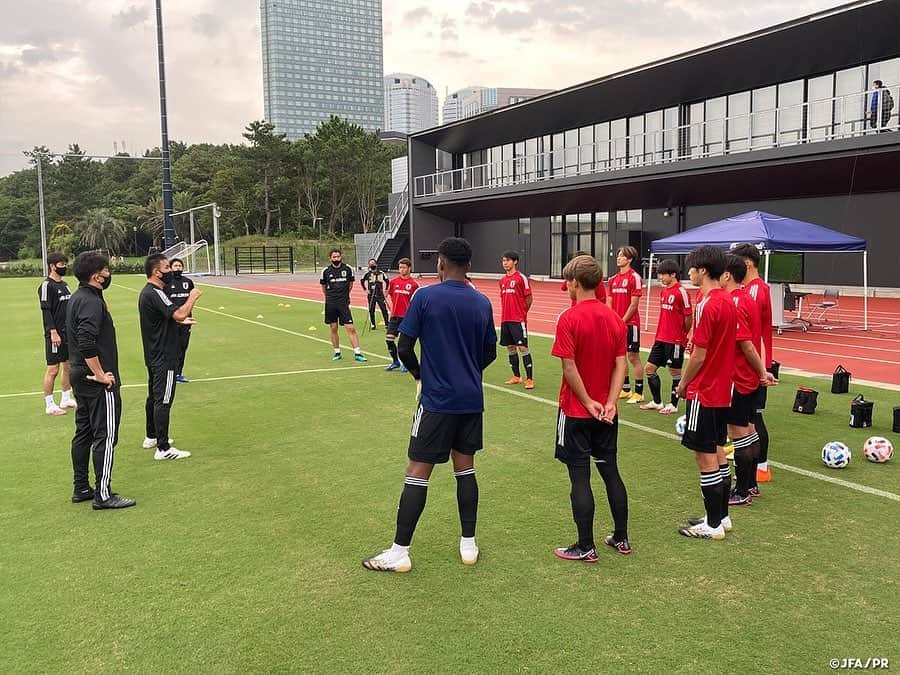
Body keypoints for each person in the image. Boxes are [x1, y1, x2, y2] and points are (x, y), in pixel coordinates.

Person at [362, 237, 497, 573]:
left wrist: (422, 376)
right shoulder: (482, 302)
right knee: (465, 468)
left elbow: (404, 347)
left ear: (440, 263)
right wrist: (466, 371)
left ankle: (399, 551)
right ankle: (468, 545)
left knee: (417, 471)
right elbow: (490, 352)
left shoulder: (425, 296)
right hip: (470, 399)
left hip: (436, 400)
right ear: (468, 265)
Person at [552, 255, 630, 563]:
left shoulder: (569, 318)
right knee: (610, 472)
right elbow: (620, 364)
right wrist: (610, 402)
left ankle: (586, 545)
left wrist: (587, 402)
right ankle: (621, 537)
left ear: (573, 283)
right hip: (607, 414)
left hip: (576, 411)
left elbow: (569, 367)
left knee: (580, 478)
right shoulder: (614, 318)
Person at [675, 245, 735, 540]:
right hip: (723, 388)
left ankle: (711, 526)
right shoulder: (727, 300)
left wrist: (684, 384)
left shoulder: (707, 304)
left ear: (702, 270)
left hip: (706, 389)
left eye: (691, 268)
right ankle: (721, 517)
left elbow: (698, 355)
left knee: (705, 455)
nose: (689, 273)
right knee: (719, 450)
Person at [67, 251, 135, 509]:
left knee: (83, 432)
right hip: (95, 379)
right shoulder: (91, 302)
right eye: (106, 270)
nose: (109, 274)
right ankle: (103, 494)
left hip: (78, 374)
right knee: (105, 436)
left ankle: (81, 487)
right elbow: (85, 340)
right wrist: (99, 373)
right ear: (97, 276)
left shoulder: (78, 298)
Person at [721, 255, 776, 507]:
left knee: (739, 433)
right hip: (749, 374)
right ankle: (751, 484)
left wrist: (761, 371)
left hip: (738, 375)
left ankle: (741, 490)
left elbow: (745, 344)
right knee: (750, 429)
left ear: (727, 275)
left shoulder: (734, 302)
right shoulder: (747, 298)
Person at [139, 254, 202, 460]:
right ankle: (163, 449)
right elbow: (178, 314)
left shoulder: (154, 292)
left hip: (155, 352)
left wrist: (179, 322)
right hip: (164, 355)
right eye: (167, 267)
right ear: (157, 272)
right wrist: (192, 296)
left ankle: (152, 436)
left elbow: (165, 319)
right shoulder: (154, 292)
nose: (171, 271)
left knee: (154, 396)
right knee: (163, 400)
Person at [640, 259, 692, 414]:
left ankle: (673, 405)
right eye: (659, 274)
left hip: (675, 340)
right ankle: (657, 402)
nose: (661, 277)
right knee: (649, 368)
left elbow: (688, 317)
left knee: (675, 371)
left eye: (663, 274)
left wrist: (682, 334)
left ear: (673, 274)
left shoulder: (681, 292)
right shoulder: (664, 291)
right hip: (661, 338)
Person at [39, 252, 76, 416]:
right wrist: (53, 332)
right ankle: (49, 404)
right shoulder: (47, 286)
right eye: (61, 264)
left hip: (68, 333)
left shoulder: (65, 284)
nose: (64, 267)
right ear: (52, 266)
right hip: (55, 334)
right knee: (53, 369)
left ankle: (66, 398)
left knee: (67, 366)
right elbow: (46, 311)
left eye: (65, 264)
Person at [607, 246, 644, 403]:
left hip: (630, 324)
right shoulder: (613, 279)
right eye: (618, 255)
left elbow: (634, 304)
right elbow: (609, 300)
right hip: (617, 324)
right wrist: (611, 319)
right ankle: (626, 389)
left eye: (622, 256)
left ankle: (639, 391)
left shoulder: (634, 277)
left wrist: (622, 321)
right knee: (620, 356)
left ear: (629, 259)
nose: (618, 258)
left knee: (633, 356)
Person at [320, 248, 367, 362]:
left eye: (338, 256)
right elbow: (324, 288)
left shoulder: (348, 269)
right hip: (331, 303)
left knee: (350, 328)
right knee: (334, 328)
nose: (336, 259)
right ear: (330, 258)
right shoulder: (325, 271)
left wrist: (343, 297)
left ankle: (357, 353)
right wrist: (331, 298)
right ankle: (337, 352)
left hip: (343, 303)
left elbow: (350, 285)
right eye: (334, 257)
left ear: (341, 257)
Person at [499, 250, 534, 389]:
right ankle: (516, 376)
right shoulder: (502, 280)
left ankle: (530, 379)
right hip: (505, 319)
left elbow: (529, 297)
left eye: (507, 260)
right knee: (510, 347)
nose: (505, 263)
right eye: (503, 260)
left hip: (517, 319)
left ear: (515, 262)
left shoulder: (521, 278)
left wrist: (523, 312)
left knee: (522, 347)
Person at [384, 258, 418, 371]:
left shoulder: (414, 284)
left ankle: (405, 363)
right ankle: (395, 361)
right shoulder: (393, 282)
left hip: (407, 317)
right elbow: (388, 295)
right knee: (389, 340)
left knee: (404, 344)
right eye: (400, 267)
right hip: (394, 316)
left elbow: (415, 302)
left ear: (409, 269)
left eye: (403, 267)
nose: (401, 270)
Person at [164, 257, 194, 383]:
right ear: (171, 268)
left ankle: (178, 373)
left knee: (182, 347)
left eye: (180, 266)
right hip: (172, 320)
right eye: (175, 266)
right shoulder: (166, 283)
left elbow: (191, 299)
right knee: (171, 347)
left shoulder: (188, 282)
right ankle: (168, 372)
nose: (178, 268)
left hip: (186, 320)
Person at [361, 258, 390, 330]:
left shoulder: (381, 273)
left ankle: (387, 323)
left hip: (380, 294)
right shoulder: (367, 274)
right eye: (370, 264)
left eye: (373, 263)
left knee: (384, 309)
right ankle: (373, 324)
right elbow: (362, 281)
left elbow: (387, 281)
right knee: (371, 309)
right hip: (371, 294)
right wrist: (365, 289)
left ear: (376, 264)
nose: (372, 265)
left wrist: (386, 290)